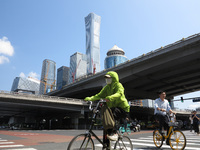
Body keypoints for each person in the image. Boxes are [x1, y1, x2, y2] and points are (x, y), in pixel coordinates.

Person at [84, 71, 130, 141]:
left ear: (114, 78)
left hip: (123, 108)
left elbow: (119, 93)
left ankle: (114, 133)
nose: (107, 80)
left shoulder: (118, 85)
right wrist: (90, 98)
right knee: (105, 125)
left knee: (111, 115)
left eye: (109, 78)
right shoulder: (106, 88)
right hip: (113, 108)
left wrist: (110, 98)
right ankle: (105, 146)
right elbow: (99, 95)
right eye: (106, 78)